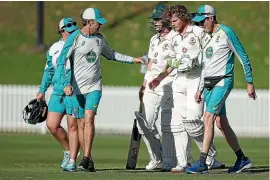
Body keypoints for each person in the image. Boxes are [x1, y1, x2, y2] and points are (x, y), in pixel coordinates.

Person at [54, 7, 143, 172]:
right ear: (88, 22)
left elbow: (112, 54)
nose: (100, 26)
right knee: (80, 124)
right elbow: (61, 62)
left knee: (89, 119)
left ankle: (86, 157)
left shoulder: (99, 39)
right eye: (97, 23)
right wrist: (65, 83)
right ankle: (88, 161)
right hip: (77, 89)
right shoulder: (74, 38)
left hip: (94, 87)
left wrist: (133, 60)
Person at [149, 4, 224, 172]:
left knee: (192, 120)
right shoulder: (174, 37)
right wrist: (159, 78)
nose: (173, 23)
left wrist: (197, 61)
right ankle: (183, 163)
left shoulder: (197, 32)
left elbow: (209, 52)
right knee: (177, 123)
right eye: (171, 21)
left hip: (195, 79)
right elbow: (171, 62)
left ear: (183, 18)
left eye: (175, 20)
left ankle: (209, 155)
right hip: (179, 80)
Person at [186, 5, 256, 174]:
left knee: (208, 117)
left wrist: (249, 82)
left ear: (211, 18)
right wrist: (200, 89)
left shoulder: (226, 32)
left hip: (223, 82)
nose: (201, 25)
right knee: (220, 123)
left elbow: (243, 56)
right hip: (209, 84)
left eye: (202, 21)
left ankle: (202, 162)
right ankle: (242, 159)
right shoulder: (206, 36)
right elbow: (206, 66)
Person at [36, 17, 84, 171]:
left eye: (73, 29)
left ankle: (73, 160)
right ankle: (69, 150)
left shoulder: (79, 44)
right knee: (52, 124)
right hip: (58, 92)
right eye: (68, 30)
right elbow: (49, 70)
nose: (71, 32)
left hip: (73, 91)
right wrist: (42, 91)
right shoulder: (54, 48)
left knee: (72, 126)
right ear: (62, 30)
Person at [136, 4, 178, 171]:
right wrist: (144, 85)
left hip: (168, 85)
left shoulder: (175, 37)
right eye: (154, 20)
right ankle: (157, 157)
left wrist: (162, 78)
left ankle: (170, 160)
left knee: (166, 125)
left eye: (158, 19)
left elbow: (174, 63)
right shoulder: (154, 40)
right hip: (151, 86)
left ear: (167, 19)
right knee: (144, 124)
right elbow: (151, 64)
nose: (155, 23)